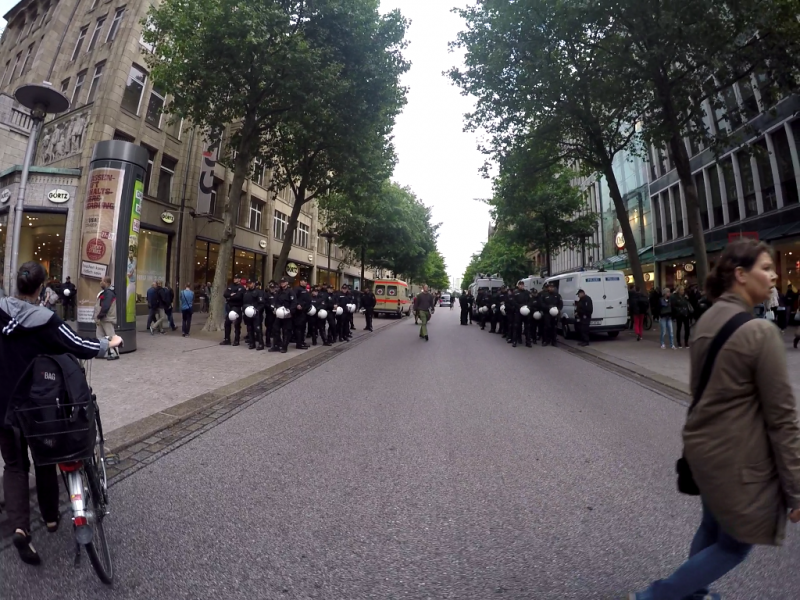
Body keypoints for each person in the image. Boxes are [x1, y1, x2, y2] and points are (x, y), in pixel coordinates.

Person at [630, 239, 800, 600]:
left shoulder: (707, 320)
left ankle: (694, 594)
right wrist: (796, 488)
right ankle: (653, 598)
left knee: (712, 527)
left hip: (703, 446)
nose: (773, 277)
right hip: (738, 456)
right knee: (735, 545)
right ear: (740, 275)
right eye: (766, 268)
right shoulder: (760, 331)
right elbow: (782, 417)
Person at [0, 261, 122, 565]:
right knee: (44, 459)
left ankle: (20, 528)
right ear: (42, 288)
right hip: (37, 407)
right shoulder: (45, 320)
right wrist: (110, 343)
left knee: (14, 466)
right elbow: (79, 344)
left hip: (4, 408)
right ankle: (52, 518)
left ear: (16, 284)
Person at [93, 276, 119, 360]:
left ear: (107, 283)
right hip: (102, 318)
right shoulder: (105, 292)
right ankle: (102, 353)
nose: (101, 282)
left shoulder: (108, 293)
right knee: (100, 336)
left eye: (102, 281)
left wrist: (100, 315)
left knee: (110, 336)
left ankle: (115, 353)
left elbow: (106, 306)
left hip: (106, 318)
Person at [269, 277, 295, 353]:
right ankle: (277, 345)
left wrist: (290, 311)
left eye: (283, 282)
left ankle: (284, 346)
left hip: (287, 314)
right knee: (275, 329)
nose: (282, 283)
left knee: (286, 331)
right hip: (279, 313)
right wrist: (274, 307)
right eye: (281, 282)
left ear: (287, 283)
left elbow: (294, 303)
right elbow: (275, 301)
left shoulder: (290, 292)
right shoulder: (279, 292)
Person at [220, 278, 246, 346]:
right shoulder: (230, 286)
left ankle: (236, 340)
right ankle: (227, 339)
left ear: (239, 279)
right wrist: (231, 295)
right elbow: (225, 294)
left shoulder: (241, 287)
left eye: (236, 278)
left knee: (237, 324)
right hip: (229, 306)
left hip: (237, 307)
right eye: (234, 278)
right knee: (227, 323)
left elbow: (239, 297)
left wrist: (230, 296)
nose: (235, 279)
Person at [540, 283, 563, 347]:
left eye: (552, 287)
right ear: (548, 288)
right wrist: (548, 307)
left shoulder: (557, 295)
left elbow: (560, 304)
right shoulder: (544, 295)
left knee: (554, 327)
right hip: (547, 313)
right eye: (550, 287)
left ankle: (554, 341)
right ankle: (545, 340)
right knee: (546, 327)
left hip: (555, 314)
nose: (551, 288)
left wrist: (558, 309)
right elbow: (542, 304)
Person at [292, 277, 311, 350]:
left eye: (306, 281)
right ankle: (299, 344)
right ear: (300, 281)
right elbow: (294, 298)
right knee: (299, 328)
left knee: (303, 328)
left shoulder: (305, 290)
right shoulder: (297, 289)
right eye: (304, 281)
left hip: (304, 311)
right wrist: (297, 304)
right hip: (299, 312)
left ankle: (302, 341)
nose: (305, 282)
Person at [511, 281, 532, 348]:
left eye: (522, 285)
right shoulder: (515, 293)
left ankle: (528, 342)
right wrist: (519, 306)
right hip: (518, 312)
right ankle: (514, 341)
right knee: (516, 326)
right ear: (518, 285)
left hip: (526, 312)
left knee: (527, 327)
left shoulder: (527, 293)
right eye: (520, 285)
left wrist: (528, 306)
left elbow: (530, 301)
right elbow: (513, 302)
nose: (521, 286)